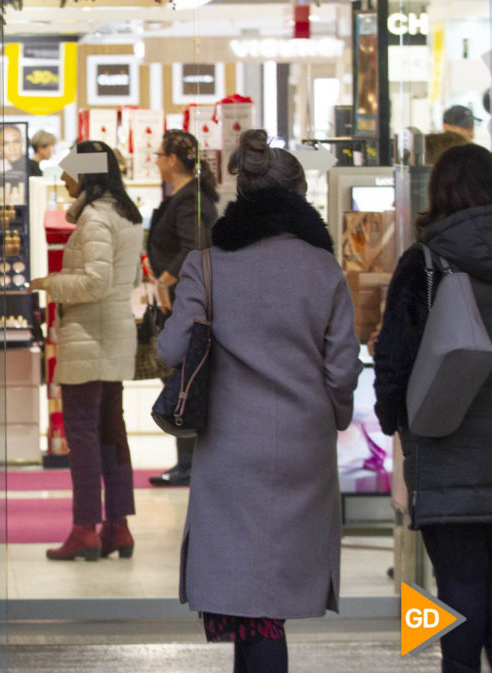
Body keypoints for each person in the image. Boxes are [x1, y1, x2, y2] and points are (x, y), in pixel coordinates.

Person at [157, 129, 360, 673]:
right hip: (304, 443)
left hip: (229, 444)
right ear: (297, 195)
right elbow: (342, 368)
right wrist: (334, 416)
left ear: (241, 194)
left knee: (246, 594)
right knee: (276, 591)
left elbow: (173, 347)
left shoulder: (207, 265)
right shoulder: (323, 269)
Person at [374, 143, 492, 672]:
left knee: (460, 588)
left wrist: (394, 424)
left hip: (448, 456)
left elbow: (394, 363)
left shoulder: (423, 265)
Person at [28, 140, 144, 561]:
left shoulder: (94, 218)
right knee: (113, 435)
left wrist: (50, 283)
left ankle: (84, 529)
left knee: (83, 436)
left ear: (87, 173)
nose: (62, 178)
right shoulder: (127, 216)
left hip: (87, 338)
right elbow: (126, 282)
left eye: (69, 169)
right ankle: (118, 525)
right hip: (114, 336)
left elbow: (94, 282)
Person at [145, 130, 219, 488]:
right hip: (181, 299)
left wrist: (165, 279)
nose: (157, 161)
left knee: (182, 378)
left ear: (173, 160)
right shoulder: (187, 197)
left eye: (160, 155)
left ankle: (189, 464)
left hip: (184, 303)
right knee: (180, 377)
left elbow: (195, 245)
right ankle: (187, 462)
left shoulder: (190, 200)